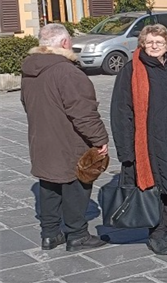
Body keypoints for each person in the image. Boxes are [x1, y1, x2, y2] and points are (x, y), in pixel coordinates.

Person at [111, 24, 167, 256]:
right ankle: (156, 234)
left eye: (159, 42)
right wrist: (126, 151)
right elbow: (121, 112)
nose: (154, 46)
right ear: (142, 44)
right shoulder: (132, 70)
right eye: (150, 42)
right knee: (154, 188)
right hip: (149, 141)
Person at [22, 24, 109, 252]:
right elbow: (83, 112)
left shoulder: (30, 70)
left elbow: (26, 103)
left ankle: (50, 235)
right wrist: (100, 139)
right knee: (76, 185)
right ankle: (77, 234)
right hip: (68, 141)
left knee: (49, 186)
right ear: (64, 43)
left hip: (41, 139)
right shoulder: (68, 72)